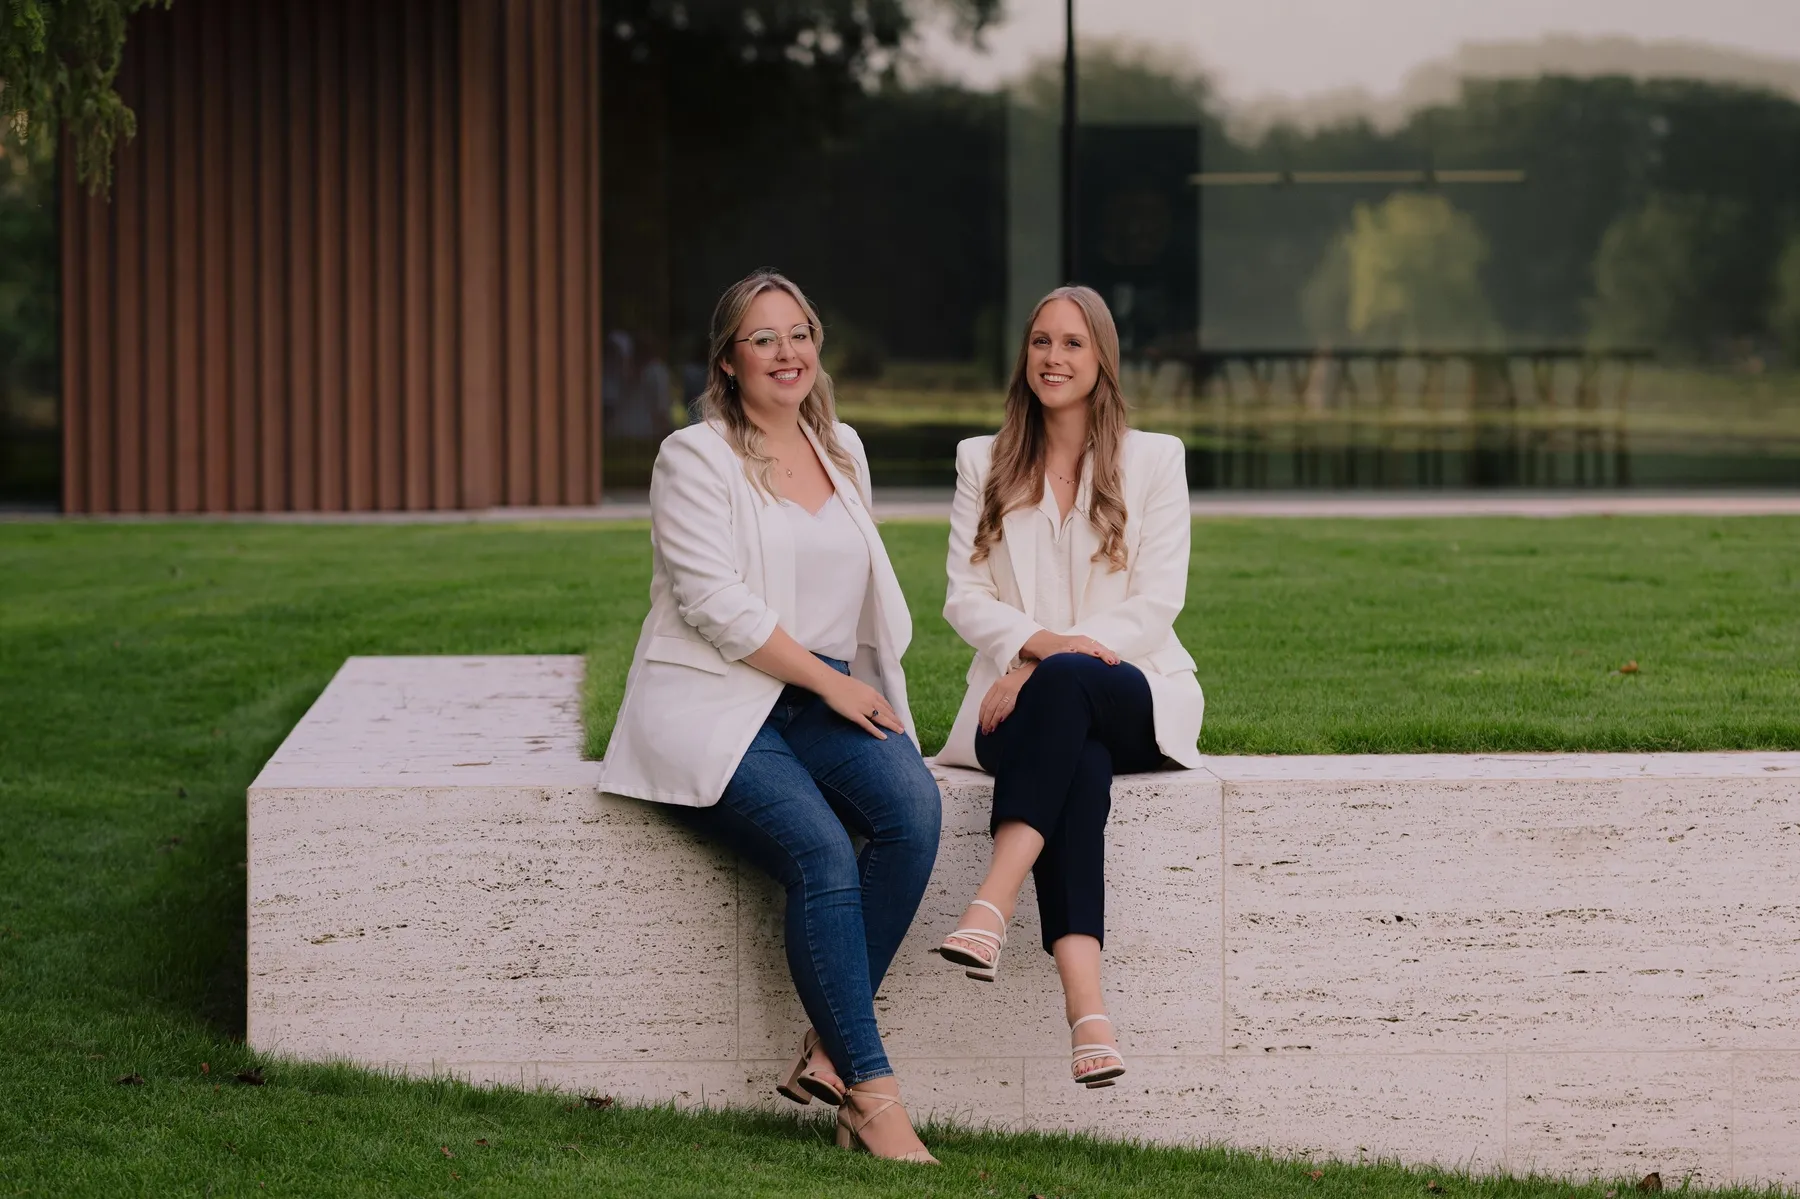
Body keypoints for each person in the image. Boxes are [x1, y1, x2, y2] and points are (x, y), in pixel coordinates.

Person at [599, 271, 941, 1164]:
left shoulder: (844, 449)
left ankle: (827, 1052)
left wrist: (845, 683)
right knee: (822, 852)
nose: (787, 353)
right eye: (763, 339)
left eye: (799, 334)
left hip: (823, 690)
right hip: (718, 698)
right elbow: (718, 605)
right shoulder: (693, 457)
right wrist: (828, 686)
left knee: (913, 812)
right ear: (728, 359)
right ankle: (872, 1094)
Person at [933, 285, 1204, 1090]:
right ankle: (1089, 1013)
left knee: (1077, 690)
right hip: (1011, 709)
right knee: (1075, 765)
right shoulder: (982, 460)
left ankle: (993, 899)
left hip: (1136, 691)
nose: (1054, 357)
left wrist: (1045, 660)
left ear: (1102, 359)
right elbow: (962, 596)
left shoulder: (1155, 459)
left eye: (1073, 344)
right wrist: (1042, 652)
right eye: (1042, 341)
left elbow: (1157, 604)